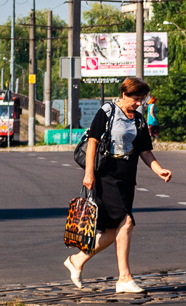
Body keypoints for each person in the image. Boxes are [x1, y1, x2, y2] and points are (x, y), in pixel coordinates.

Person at [63, 77, 172, 294]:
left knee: (117, 229)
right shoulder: (107, 111)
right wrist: (89, 173)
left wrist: (159, 169)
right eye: (135, 99)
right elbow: (93, 141)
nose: (139, 103)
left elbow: (144, 151)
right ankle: (123, 277)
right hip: (106, 177)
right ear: (124, 94)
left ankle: (78, 261)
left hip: (126, 179)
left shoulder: (139, 120)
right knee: (126, 222)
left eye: (141, 99)